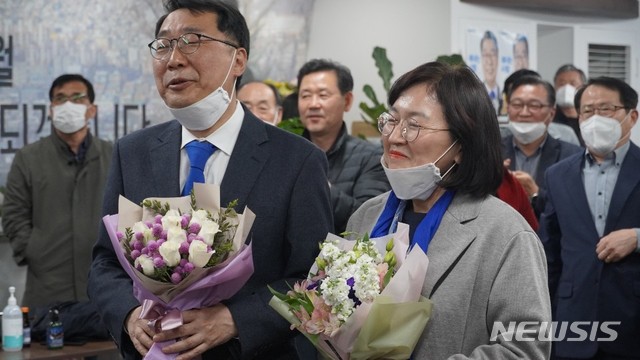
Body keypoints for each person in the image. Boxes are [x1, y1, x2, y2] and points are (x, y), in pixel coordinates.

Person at [87, 1, 333, 359]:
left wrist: (236, 319)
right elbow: (104, 263)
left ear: (238, 60)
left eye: (191, 41)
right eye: (163, 45)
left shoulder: (297, 160)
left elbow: (314, 278)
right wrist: (128, 316)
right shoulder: (133, 152)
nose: (173, 59)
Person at [346, 61, 551, 358]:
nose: (394, 136)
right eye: (391, 120)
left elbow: (525, 348)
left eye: (414, 124)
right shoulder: (367, 215)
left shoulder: (505, 233)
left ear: (461, 145)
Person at [540, 76, 640, 360]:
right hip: (573, 321)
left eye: (606, 109)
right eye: (587, 111)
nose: (596, 118)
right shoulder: (558, 175)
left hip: (631, 320)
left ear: (632, 116)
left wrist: (637, 237)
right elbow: (550, 254)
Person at [2, 74, 113, 308]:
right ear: (51, 110)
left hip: (105, 287)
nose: (68, 105)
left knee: (107, 344)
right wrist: (35, 249)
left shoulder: (112, 156)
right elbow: (13, 214)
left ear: (91, 110)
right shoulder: (29, 158)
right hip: (47, 288)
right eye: (60, 99)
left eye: (77, 98)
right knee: (45, 343)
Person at [297, 58, 389, 234]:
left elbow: (368, 220)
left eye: (323, 95)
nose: (313, 104)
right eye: (305, 96)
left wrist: (318, 184)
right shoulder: (288, 153)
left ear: (347, 101)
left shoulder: (372, 157)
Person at [502, 75, 582, 218]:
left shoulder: (573, 157)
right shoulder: (489, 152)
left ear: (551, 113)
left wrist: (535, 193)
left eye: (534, 106)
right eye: (517, 105)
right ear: (508, 109)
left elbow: (574, 211)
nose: (524, 113)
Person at [553, 64, 587, 146]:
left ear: (582, 88)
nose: (567, 88)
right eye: (562, 84)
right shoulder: (549, 118)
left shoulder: (589, 117)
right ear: (555, 87)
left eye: (573, 83)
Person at [481, 30, 501, 114]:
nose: (489, 61)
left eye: (492, 54)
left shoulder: (505, 96)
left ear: (498, 56)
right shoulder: (474, 97)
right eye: (485, 54)